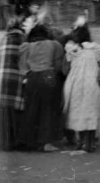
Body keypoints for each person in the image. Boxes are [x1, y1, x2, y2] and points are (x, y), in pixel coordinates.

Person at [18, 21, 65, 152]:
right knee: (49, 109)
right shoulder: (55, 45)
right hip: (49, 76)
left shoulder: (26, 47)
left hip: (32, 78)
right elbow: (58, 66)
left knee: (32, 109)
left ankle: (31, 141)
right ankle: (47, 143)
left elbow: (23, 68)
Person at [62, 19, 100, 152]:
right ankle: (91, 143)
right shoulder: (95, 48)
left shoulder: (71, 49)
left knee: (77, 110)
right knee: (90, 110)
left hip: (76, 84)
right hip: (92, 83)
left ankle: (81, 141)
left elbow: (66, 68)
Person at [0, 18, 25, 151]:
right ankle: (15, 141)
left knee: (4, 111)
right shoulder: (22, 38)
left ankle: (4, 142)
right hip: (15, 76)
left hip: (2, 76)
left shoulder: (3, 38)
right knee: (16, 112)